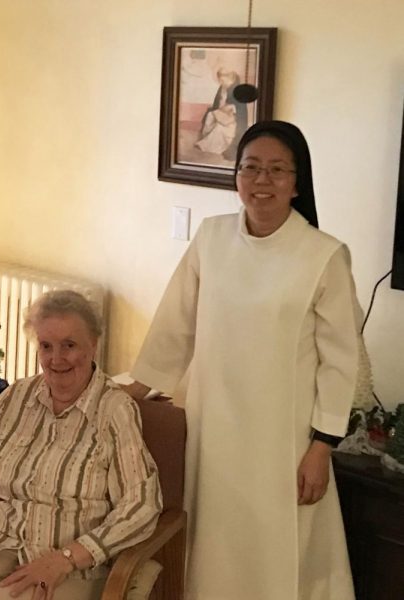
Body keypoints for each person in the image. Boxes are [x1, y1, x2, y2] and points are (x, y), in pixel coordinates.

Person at [126, 120, 359, 599]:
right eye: (250, 168)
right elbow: (176, 324)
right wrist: (136, 388)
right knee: (214, 556)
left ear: (298, 183)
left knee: (280, 559)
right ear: (235, 177)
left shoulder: (323, 255)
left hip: (285, 443)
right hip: (216, 432)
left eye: (277, 170)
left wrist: (321, 448)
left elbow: (341, 362)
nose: (262, 180)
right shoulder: (211, 239)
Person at [0, 290, 162, 600]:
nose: (56, 359)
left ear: (94, 345)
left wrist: (67, 558)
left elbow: (141, 505)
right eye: (46, 346)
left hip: (68, 565)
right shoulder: (17, 396)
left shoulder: (114, 410)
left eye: (69, 345)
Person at [194, 67, 248, 160]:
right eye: (220, 80)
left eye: (223, 80)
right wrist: (218, 111)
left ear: (230, 78)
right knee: (210, 116)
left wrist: (230, 109)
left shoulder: (237, 90)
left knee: (219, 129)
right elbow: (218, 103)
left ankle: (214, 146)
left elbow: (240, 112)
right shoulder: (222, 87)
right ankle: (207, 142)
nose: (221, 82)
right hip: (223, 115)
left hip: (233, 121)